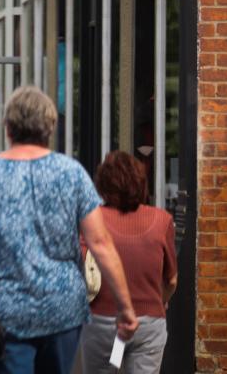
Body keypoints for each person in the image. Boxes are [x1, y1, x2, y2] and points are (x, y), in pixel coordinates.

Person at [0, 85, 139, 374]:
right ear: (50, 127)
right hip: (62, 308)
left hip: (2, 311)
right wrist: (125, 306)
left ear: (8, 127)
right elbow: (100, 243)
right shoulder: (71, 172)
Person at [80, 150, 177, 373]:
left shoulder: (92, 219)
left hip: (102, 321)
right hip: (149, 324)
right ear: (141, 183)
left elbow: (84, 269)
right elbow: (171, 280)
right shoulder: (162, 220)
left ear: (103, 184)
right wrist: (159, 301)